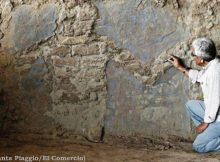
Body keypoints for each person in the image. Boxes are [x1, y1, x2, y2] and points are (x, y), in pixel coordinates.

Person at [169, 38, 220, 153]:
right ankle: (210, 132)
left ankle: (210, 133)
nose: (192, 57)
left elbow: (215, 100)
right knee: (191, 105)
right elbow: (200, 76)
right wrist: (180, 67)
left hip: (218, 117)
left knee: (198, 146)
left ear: (201, 60)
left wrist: (205, 123)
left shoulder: (214, 73)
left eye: (194, 55)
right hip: (216, 114)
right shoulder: (214, 63)